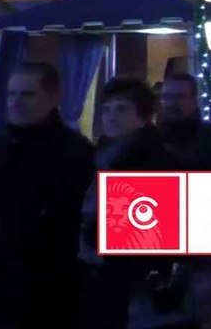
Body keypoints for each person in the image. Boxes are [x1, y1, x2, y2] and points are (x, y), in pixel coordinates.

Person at [0, 62, 95, 329]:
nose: (16, 102)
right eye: (12, 94)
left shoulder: (75, 154)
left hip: (49, 293)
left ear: (53, 96)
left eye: (27, 94)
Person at [80, 77, 183, 329]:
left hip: (131, 280)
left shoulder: (155, 160)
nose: (111, 116)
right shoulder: (100, 155)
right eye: (106, 109)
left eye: (121, 109)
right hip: (96, 271)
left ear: (142, 114)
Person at [158, 73, 211, 171]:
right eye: (166, 97)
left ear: (194, 101)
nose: (171, 103)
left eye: (179, 97)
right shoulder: (152, 141)